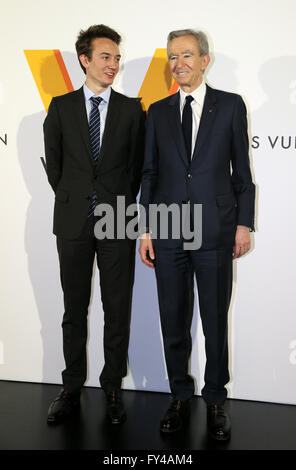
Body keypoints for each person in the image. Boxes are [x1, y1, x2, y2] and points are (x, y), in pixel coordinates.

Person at [139, 29, 255, 440]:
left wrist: (244, 224)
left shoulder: (230, 106)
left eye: (187, 54)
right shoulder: (158, 110)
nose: (179, 63)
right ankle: (179, 396)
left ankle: (216, 400)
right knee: (173, 317)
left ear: (205, 59)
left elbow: (242, 173)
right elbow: (150, 174)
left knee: (213, 320)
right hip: (168, 229)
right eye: (173, 56)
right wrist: (146, 229)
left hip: (216, 232)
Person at [44, 24, 145, 425]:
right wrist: (79, 199)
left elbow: (136, 170)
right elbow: (56, 168)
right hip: (72, 222)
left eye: (117, 58)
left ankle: (113, 387)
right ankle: (70, 386)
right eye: (106, 57)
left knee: (116, 308)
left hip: (118, 218)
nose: (113, 65)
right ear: (84, 60)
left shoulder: (130, 110)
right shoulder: (61, 107)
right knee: (73, 308)